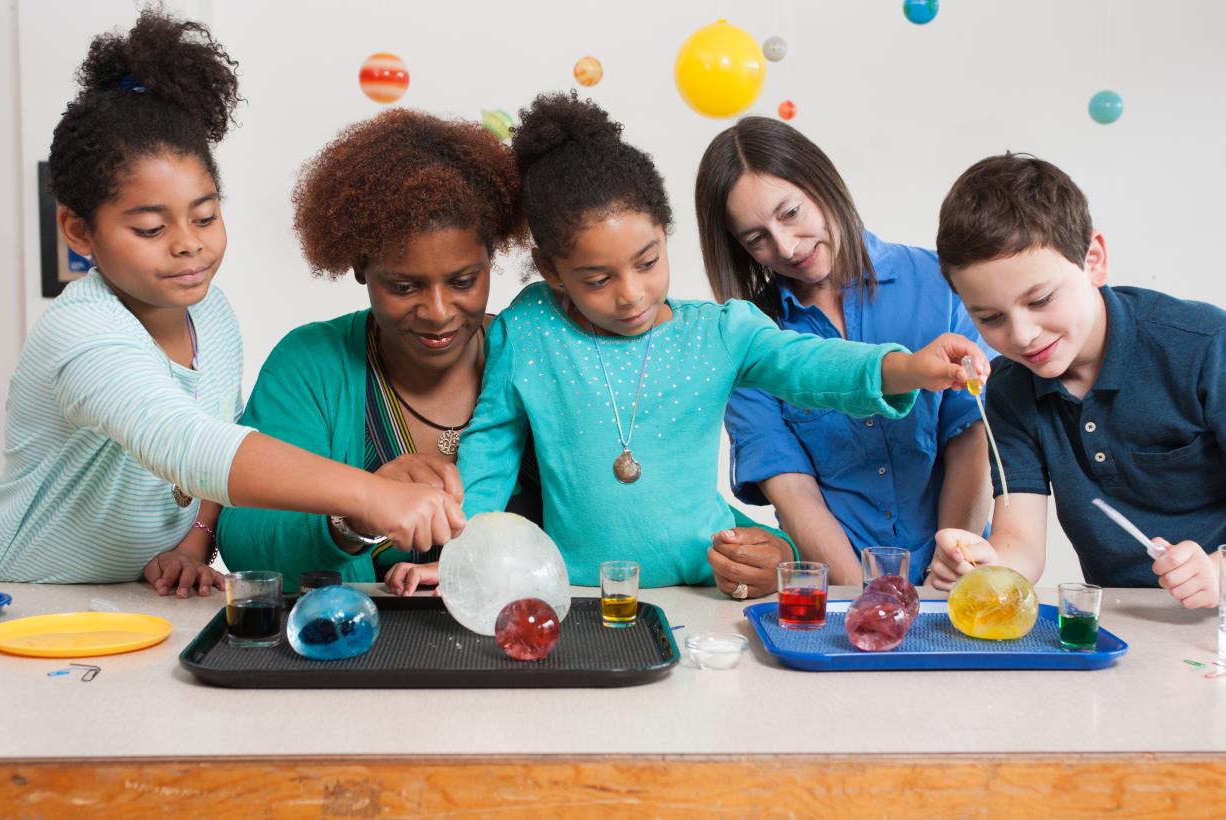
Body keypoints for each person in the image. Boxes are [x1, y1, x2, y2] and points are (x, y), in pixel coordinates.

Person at [0, 10, 462, 595]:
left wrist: (192, 542)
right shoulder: (81, 333)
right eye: (148, 229)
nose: (188, 243)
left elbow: (221, 438)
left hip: (139, 600)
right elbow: (190, 445)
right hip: (34, 602)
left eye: (205, 216)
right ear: (79, 231)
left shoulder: (211, 315)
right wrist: (370, 493)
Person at [456, 91, 989, 592]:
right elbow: (490, 450)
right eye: (598, 279)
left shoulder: (720, 331)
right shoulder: (527, 330)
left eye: (647, 263)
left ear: (666, 235)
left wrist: (911, 371)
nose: (631, 294)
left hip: (708, 582)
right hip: (574, 589)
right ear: (551, 269)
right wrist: (462, 556)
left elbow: (812, 365)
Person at [218, 108, 539, 594]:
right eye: (405, 286)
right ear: (360, 267)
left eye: (463, 281)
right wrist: (354, 514)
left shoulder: (540, 359)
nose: (437, 311)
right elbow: (242, 539)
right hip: (357, 658)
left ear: (491, 258)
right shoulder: (311, 366)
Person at [694, 117, 992, 586]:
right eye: (757, 239)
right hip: (838, 584)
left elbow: (970, 438)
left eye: (791, 213)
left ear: (821, 182)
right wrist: (864, 598)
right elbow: (792, 491)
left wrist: (948, 572)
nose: (787, 247)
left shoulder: (938, 284)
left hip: (959, 573)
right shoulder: (750, 342)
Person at [929, 153, 1224, 608]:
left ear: (1093, 261)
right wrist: (986, 565)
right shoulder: (1009, 388)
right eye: (990, 318)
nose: (1022, 335)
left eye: (1041, 299)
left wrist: (1218, 571)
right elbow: (1020, 547)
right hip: (1120, 627)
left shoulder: (1203, 347)